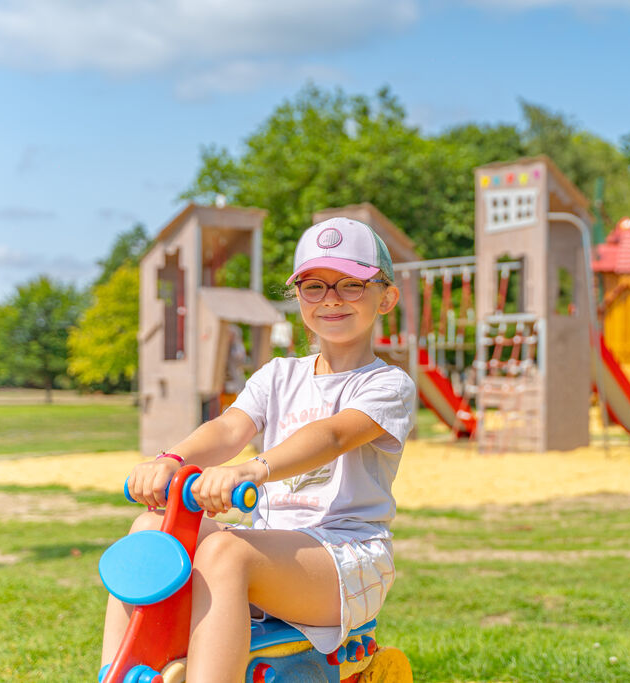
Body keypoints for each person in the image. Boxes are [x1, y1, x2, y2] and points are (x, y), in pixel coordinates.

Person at [101, 217, 417, 683]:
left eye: (351, 285)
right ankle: (120, 672)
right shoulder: (278, 375)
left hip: (346, 557)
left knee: (225, 554)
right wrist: (171, 460)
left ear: (385, 297)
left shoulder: (387, 384)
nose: (331, 298)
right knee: (148, 528)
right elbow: (229, 429)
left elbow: (333, 436)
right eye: (314, 286)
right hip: (275, 549)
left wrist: (254, 469)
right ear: (299, 298)